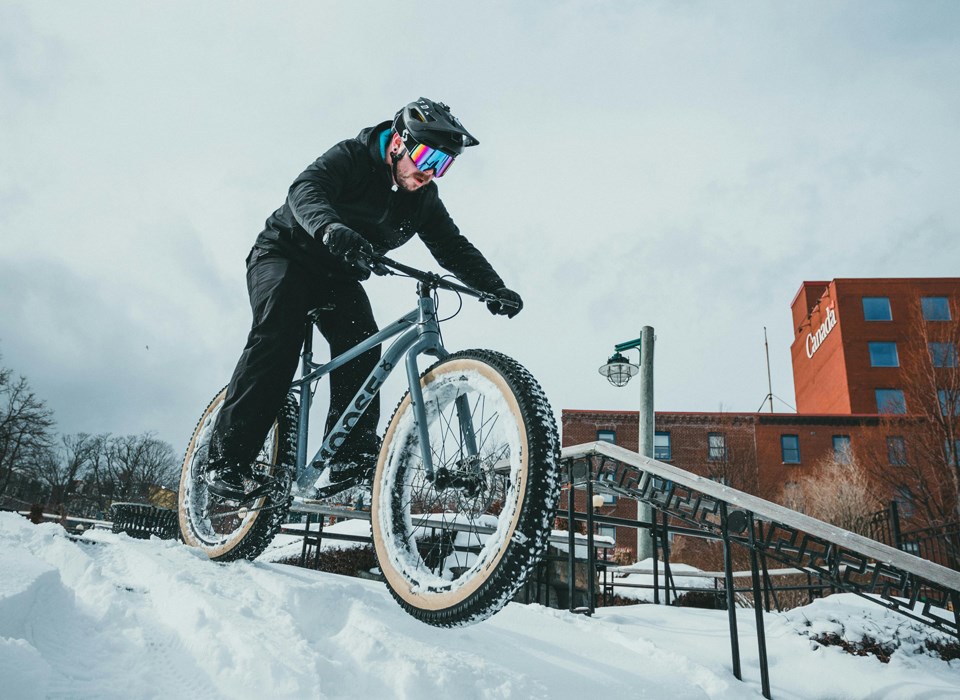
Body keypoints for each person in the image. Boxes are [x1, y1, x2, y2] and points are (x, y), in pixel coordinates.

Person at [206, 97, 522, 500]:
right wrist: (330, 228)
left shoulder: (422, 197)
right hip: (286, 254)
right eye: (425, 156)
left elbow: (452, 246)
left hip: (338, 275)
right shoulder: (351, 157)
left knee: (362, 345)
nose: (429, 172)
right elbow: (306, 190)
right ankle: (226, 461)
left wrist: (492, 287)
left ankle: (350, 458)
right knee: (279, 337)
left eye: (441, 164)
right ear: (397, 143)